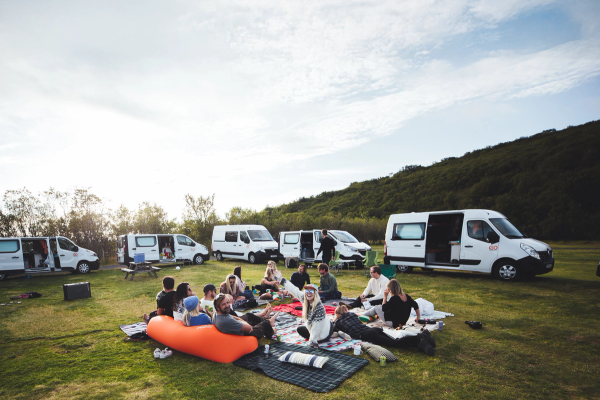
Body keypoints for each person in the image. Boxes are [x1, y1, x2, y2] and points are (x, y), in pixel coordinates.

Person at [333, 304, 436, 356]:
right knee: (395, 338)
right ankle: (421, 342)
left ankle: (419, 336)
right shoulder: (353, 314)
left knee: (395, 343)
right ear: (346, 310)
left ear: (337, 314)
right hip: (374, 329)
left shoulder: (338, 322)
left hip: (367, 334)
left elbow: (333, 330)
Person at [279, 279, 332, 347]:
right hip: (314, 328)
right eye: (307, 290)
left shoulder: (319, 308)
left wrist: (312, 341)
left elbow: (316, 328)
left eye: (311, 291)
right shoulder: (305, 299)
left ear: (315, 293)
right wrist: (281, 280)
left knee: (330, 323)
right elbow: (295, 290)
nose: (308, 293)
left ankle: (335, 331)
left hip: (323, 335)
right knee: (300, 329)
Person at [212, 293, 278, 340]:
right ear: (217, 307)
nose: (227, 305)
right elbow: (249, 328)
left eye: (227, 302)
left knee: (249, 316)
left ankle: (269, 320)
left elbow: (231, 317)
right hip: (245, 334)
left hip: (233, 329)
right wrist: (243, 322)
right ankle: (272, 331)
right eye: (224, 304)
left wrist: (240, 320)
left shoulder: (217, 314)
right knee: (265, 324)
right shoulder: (227, 320)